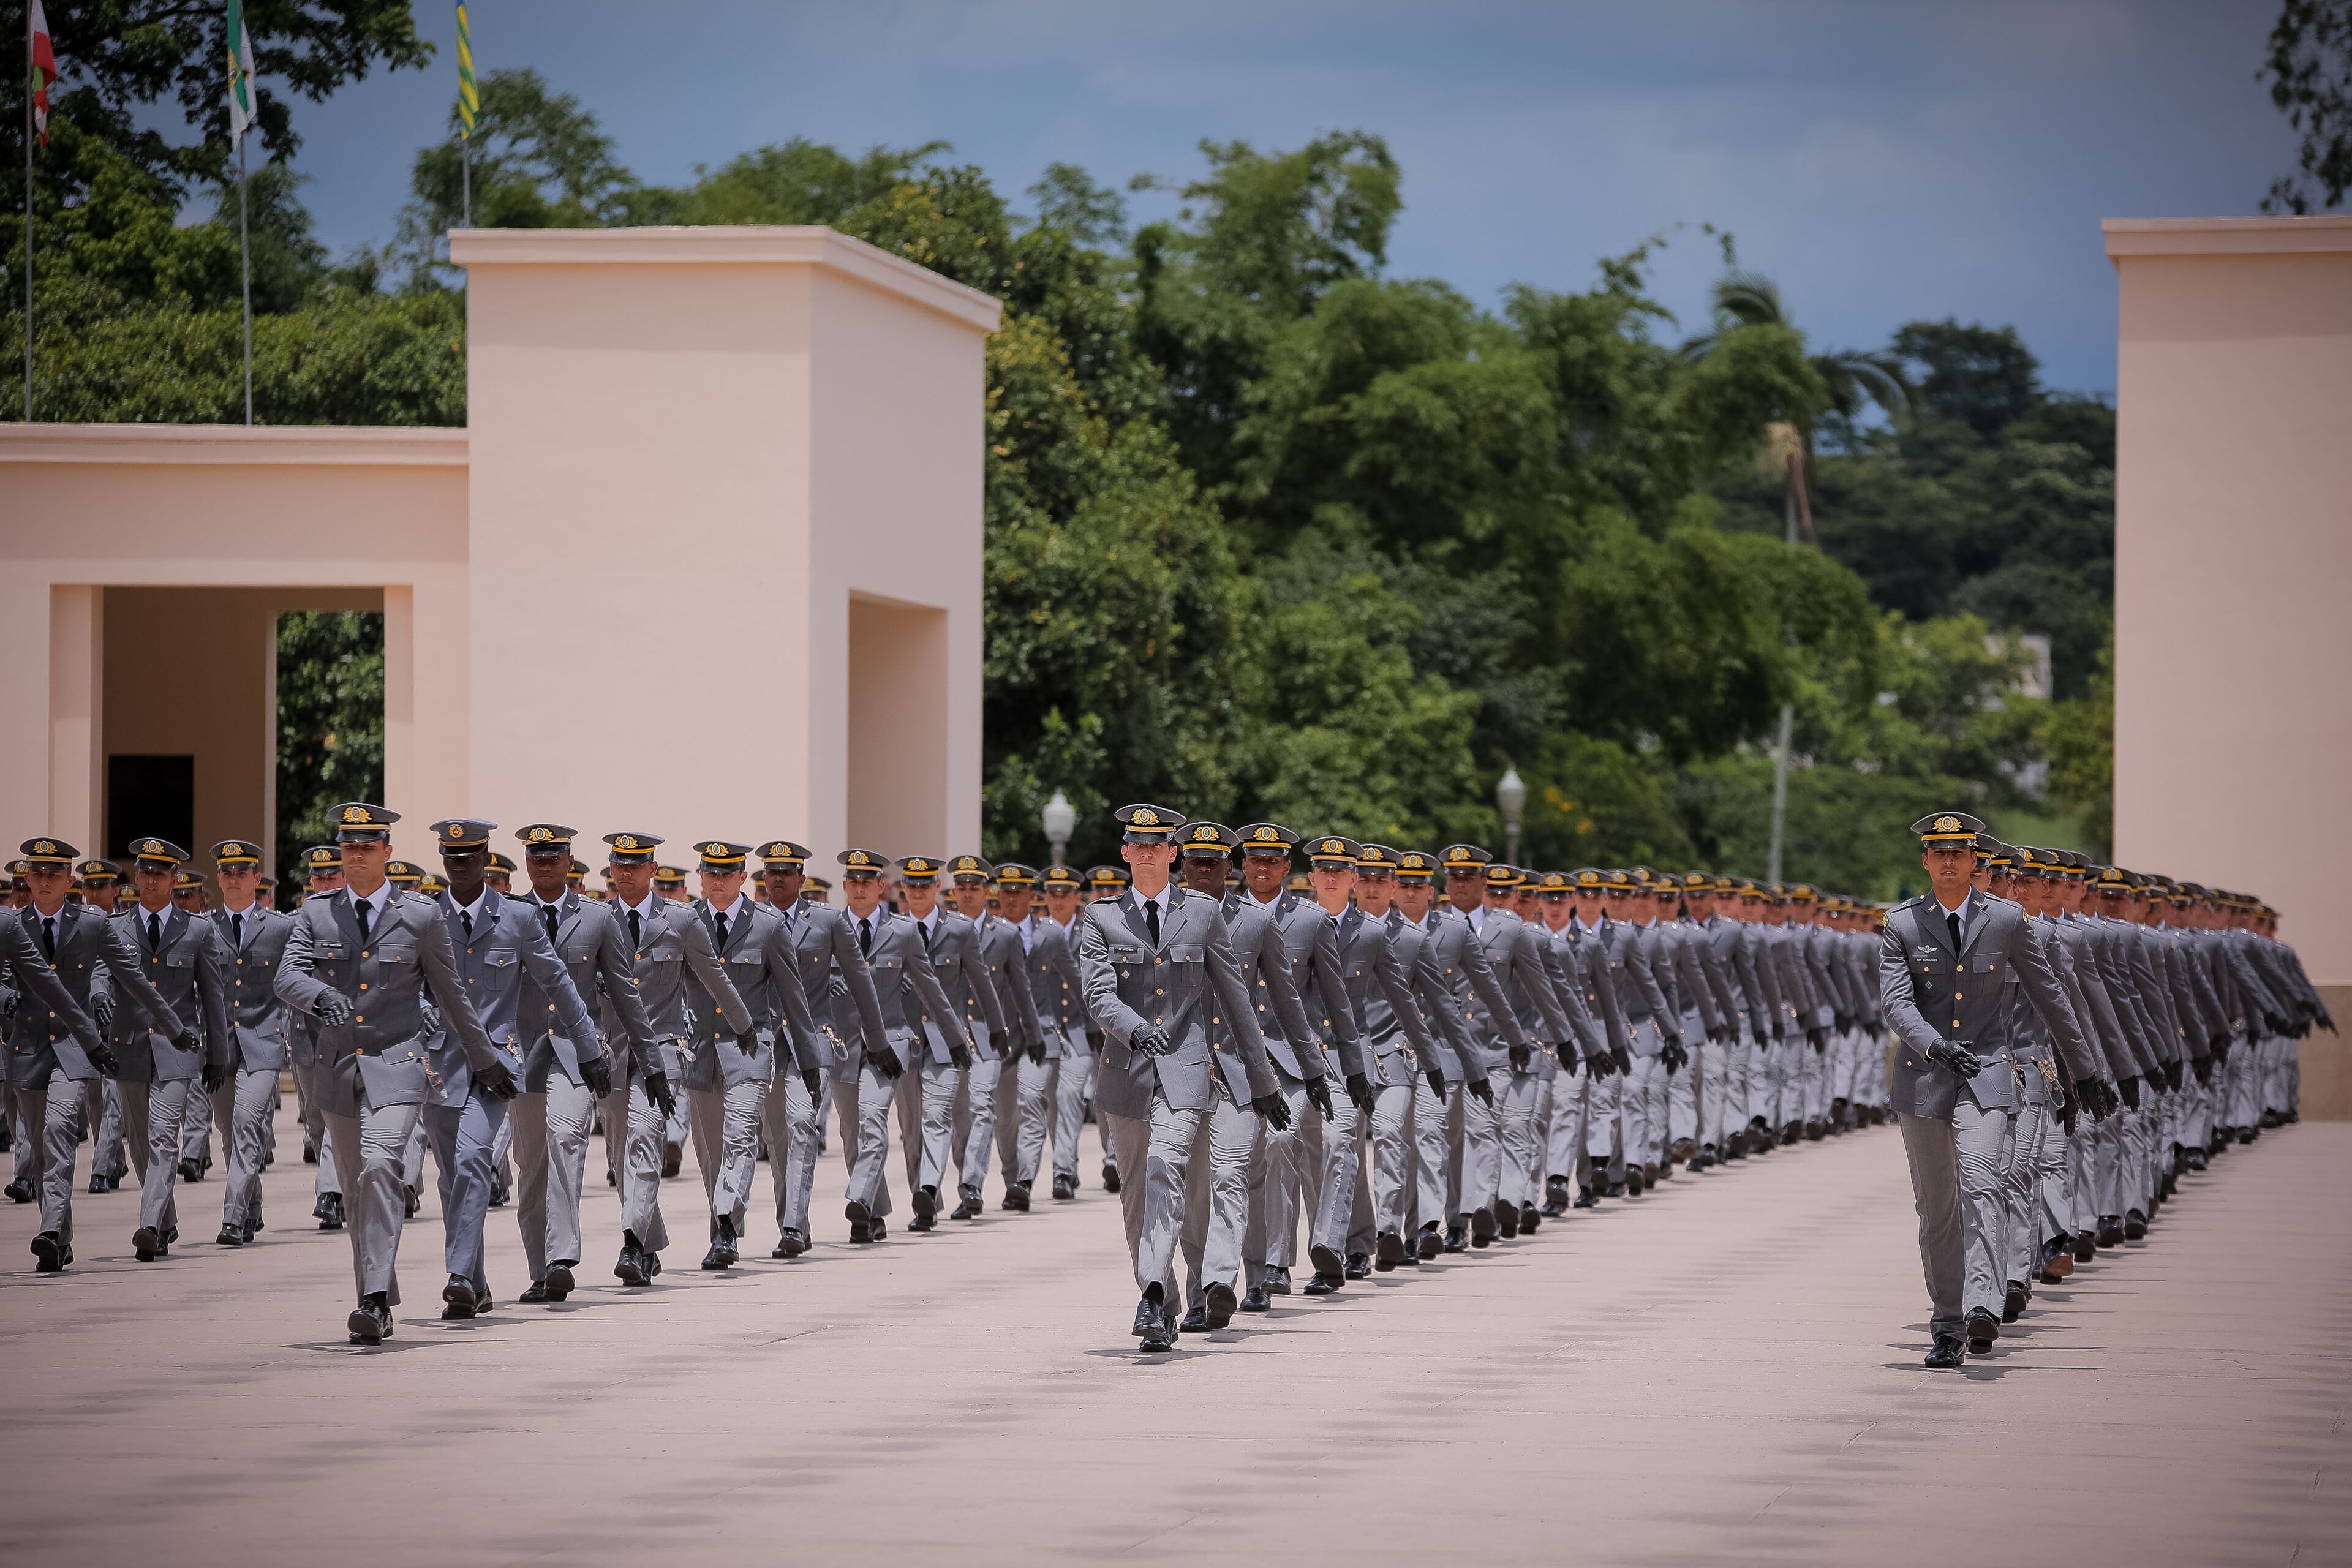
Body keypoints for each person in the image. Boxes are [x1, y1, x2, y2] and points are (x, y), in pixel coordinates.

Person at [1880, 811, 2113, 1370]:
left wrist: (2084, 1070)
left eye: (1959, 852)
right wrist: (1935, 1045)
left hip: (1986, 1076)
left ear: (1974, 861)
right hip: (1924, 1077)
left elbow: (2052, 998)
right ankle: (1947, 1321)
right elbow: (1896, 1002)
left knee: (1984, 1182)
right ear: (1926, 862)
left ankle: (1982, 1304)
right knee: (1938, 1208)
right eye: (1939, 853)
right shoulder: (1903, 924)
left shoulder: (2008, 921)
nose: (1950, 861)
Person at [275, 805, 507, 1344]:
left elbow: (451, 996)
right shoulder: (316, 914)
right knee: (357, 1191)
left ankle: (373, 1301)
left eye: (366, 847)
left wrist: (485, 1059)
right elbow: (288, 975)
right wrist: (319, 995)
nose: (355, 856)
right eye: (347, 847)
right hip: (337, 1070)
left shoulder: (421, 917)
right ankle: (376, 1290)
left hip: (399, 1066)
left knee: (382, 1167)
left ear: (386, 852)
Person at [1076, 805, 1283, 1351]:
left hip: (1186, 1074)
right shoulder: (1100, 917)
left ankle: (1149, 1297)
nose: (1147, 852)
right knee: (1137, 1196)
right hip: (1125, 1074)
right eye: (1136, 844)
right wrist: (1135, 1028)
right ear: (1125, 853)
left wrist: (1262, 1082)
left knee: (1169, 1166)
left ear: (1173, 854)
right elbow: (1097, 994)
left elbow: (1237, 1001)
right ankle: (1162, 1299)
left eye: (1157, 844)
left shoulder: (1201, 913)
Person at [418, 818, 597, 1318]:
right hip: (442, 1065)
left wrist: (589, 1048)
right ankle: (474, 1283)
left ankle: (455, 1273)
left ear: (485, 859)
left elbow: (559, 983)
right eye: (452, 858)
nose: (460, 865)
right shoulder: (423, 916)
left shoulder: (516, 919)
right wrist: (426, 1017)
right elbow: (407, 986)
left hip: (495, 1067)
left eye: (470, 857)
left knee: (476, 1158)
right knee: (454, 1177)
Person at [7, 837, 177, 1271]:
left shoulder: (92, 925)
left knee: (61, 1128)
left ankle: (48, 1228)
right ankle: (59, 1238)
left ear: (69, 879)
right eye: (37, 873)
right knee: (41, 1146)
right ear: (28, 877)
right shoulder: (11, 925)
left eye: (54, 873)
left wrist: (173, 1025)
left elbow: (132, 976)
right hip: (26, 1047)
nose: (44, 881)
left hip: (74, 1046)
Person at [600, 831, 750, 1284]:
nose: (626, 873)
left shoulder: (680, 921)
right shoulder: (596, 918)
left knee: (645, 1139)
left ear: (652, 869)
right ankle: (648, 1242)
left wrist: (744, 1025)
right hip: (612, 1052)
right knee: (618, 1153)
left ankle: (630, 1242)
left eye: (635, 864)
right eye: (618, 864)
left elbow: (714, 977)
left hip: (662, 1049)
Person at [510, 824, 652, 1303]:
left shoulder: (597, 918)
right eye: (537, 855)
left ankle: (561, 1255)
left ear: (570, 860)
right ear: (527, 862)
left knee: (567, 1136)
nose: (545, 862)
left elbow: (627, 997)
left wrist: (650, 1061)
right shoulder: (509, 915)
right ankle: (540, 1269)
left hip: (578, 1056)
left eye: (555, 855)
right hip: (522, 1053)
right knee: (529, 1166)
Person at [680, 839, 823, 1269]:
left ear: (743, 877)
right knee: (709, 1150)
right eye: (711, 873)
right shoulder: (685, 922)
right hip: (702, 1051)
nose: (718, 880)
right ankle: (722, 1224)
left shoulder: (768, 926)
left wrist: (810, 1058)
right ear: (701, 876)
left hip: (750, 1049)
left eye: (727, 873)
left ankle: (726, 1227)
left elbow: (793, 998)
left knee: (740, 1138)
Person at [104, 838, 232, 1263]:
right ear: (137, 877)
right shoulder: (115, 928)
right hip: (129, 1046)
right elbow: (101, 977)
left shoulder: (197, 930)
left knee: (163, 1137)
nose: (152, 880)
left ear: (174, 880)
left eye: (161, 873)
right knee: (138, 1142)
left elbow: (213, 997)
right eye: (146, 873)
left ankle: (150, 1225)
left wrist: (218, 1054)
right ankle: (166, 1218)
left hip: (178, 1050)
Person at [755, 840, 883, 1257]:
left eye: (786, 872)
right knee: (776, 1139)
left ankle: (792, 1226)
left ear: (801, 879)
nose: (778, 879)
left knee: (803, 1123)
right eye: (771, 872)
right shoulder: (749, 920)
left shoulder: (827, 922)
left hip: (814, 1038)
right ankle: (794, 1223)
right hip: (766, 1040)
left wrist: (877, 1041)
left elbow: (860, 982)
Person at [827, 848, 960, 1244]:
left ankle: (859, 1199)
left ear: (881, 886)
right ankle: (875, 1211)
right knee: (851, 1132)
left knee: (873, 1120)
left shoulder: (902, 931)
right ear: (846, 886)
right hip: (843, 1046)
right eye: (853, 882)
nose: (859, 888)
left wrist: (954, 1038)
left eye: (867, 881)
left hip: (889, 1046)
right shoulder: (829, 927)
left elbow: (928, 986)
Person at [204, 839, 296, 1247]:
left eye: (243, 872)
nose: (234, 879)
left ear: (257, 879)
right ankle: (253, 1207)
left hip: (263, 1043)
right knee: (227, 1131)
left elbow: (297, 976)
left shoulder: (279, 927)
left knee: (246, 1124)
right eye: (227, 872)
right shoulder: (204, 928)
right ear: (219, 879)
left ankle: (232, 1217)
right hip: (219, 1049)